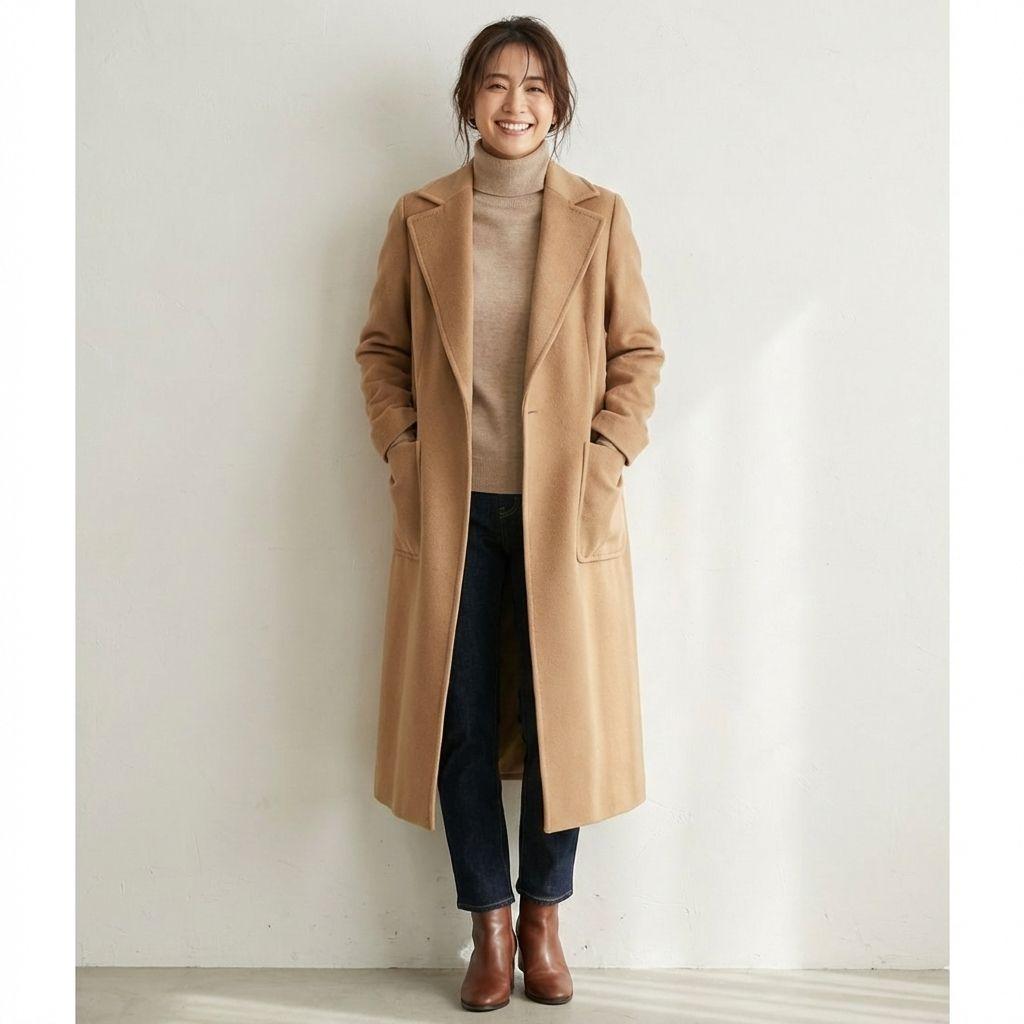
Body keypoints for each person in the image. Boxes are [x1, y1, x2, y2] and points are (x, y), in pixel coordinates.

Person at [355, 15, 664, 1012]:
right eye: (495, 84)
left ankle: (544, 920)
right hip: (453, 509)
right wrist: (404, 452)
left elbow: (638, 355)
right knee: (459, 721)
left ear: (557, 104)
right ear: (469, 100)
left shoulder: (599, 216)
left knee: (561, 721)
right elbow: (381, 352)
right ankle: (487, 925)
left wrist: (605, 456)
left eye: (535, 86)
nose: (515, 103)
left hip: (562, 513)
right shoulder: (420, 216)